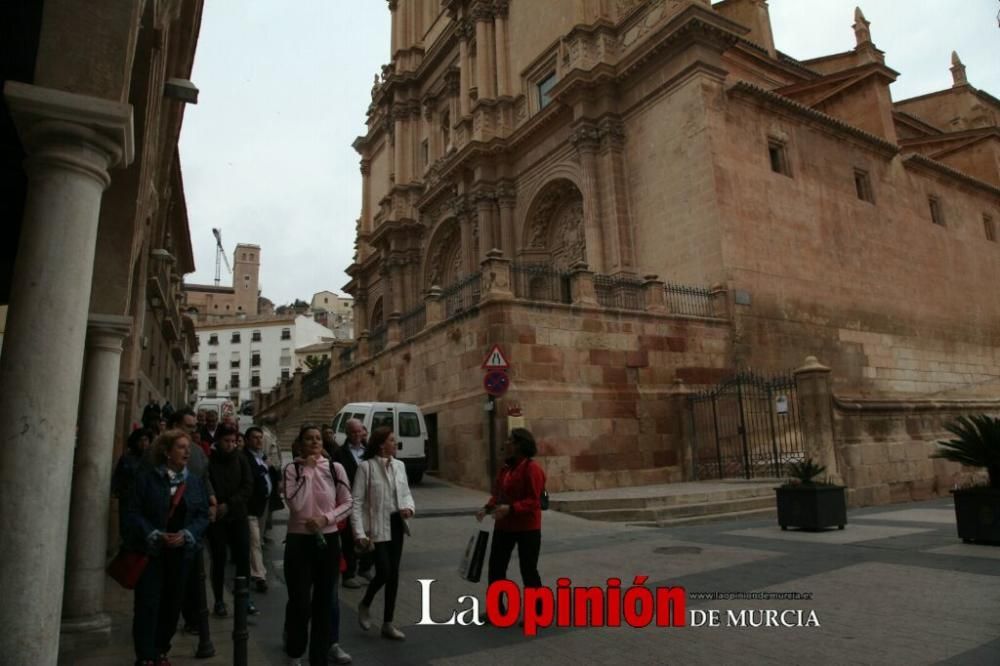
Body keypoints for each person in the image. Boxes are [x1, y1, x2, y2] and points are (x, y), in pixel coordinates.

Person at [125, 429, 210, 666]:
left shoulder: (193, 482)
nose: (187, 451)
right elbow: (132, 512)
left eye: (188, 447)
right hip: (151, 552)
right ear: (166, 451)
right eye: (181, 447)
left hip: (181, 554)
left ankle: (161, 650)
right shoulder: (146, 478)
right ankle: (145, 656)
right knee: (147, 604)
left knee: (172, 604)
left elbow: (203, 515)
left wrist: (187, 534)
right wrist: (153, 533)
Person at [283, 424, 353, 666]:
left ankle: (319, 656)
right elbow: (296, 505)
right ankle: (295, 651)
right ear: (300, 444)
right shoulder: (292, 469)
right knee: (300, 600)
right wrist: (309, 471)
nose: (314, 442)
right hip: (299, 541)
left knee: (324, 602)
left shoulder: (336, 469)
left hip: (328, 539)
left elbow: (347, 502)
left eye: (318, 439)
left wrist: (326, 519)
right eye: (309, 439)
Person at [351, 427, 415, 640]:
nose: (395, 444)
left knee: (394, 574)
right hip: (376, 527)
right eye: (391, 440)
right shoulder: (366, 468)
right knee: (384, 571)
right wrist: (359, 533)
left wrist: (408, 508)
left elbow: (405, 493)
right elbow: (357, 503)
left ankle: (388, 622)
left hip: (397, 523)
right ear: (381, 444)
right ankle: (365, 602)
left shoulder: (400, 465)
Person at [476, 428, 546, 618]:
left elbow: (534, 500)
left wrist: (512, 508)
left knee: (528, 570)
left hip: (527, 528)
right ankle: (497, 610)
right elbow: (498, 495)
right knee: (496, 567)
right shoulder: (506, 468)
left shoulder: (532, 469)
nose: (506, 443)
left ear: (519, 445)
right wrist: (487, 508)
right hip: (504, 525)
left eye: (510, 440)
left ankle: (537, 612)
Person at [167, 408, 217, 657]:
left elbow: (204, 477)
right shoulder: (156, 454)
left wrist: (211, 498)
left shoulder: (197, 452)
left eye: (194, 426)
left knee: (195, 578)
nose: (194, 431)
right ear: (174, 425)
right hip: (165, 531)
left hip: (192, 527)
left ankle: (193, 619)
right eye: (188, 426)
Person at [207, 424, 255, 617]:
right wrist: (216, 504)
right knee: (218, 559)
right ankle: (219, 600)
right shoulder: (209, 462)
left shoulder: (241, 460)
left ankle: (244, 598)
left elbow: (248, 485)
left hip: (237, 515)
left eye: (234, 441)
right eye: (227, 441)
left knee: (243, 557)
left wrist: (230, 503)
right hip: (217, 519)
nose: (231, 445)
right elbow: (206, 484)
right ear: (218, 441)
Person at [334, 418, 371, 588]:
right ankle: (348, 574)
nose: (357, 435)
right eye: (353, 432)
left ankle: (365, 568)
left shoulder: (370, 451)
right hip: (349, 500)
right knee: (349, 538)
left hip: (369, 500)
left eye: (359, 431)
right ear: (347, 433)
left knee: (369, 534)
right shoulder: (339, 453)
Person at [244, 426, 273, 593]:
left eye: (260, 437)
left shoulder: (261, 456)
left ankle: (254, 569)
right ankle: (259, 575)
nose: (259, 441)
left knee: (257, 541)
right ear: (247, 440)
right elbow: (253, 475)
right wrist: (265, 468)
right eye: (255, 437)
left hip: (263, 504)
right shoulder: (245, 457)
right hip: (251, 506)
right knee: (254, 541)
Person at [112, 427, 153, 539]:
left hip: (145, 501)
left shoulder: (151, 460)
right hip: (128, 500)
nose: (143, 443)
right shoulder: (126, 458)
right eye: (141, 440)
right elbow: (118, 477)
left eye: (146, 440)